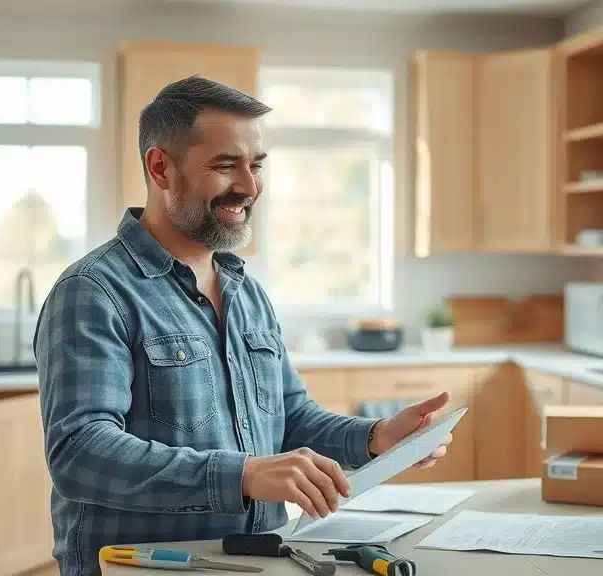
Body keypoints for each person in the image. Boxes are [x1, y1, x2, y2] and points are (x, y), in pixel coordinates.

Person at [33, 75, 454, 576]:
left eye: (256, 166)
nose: (251, 187)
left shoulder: (245, 291)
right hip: (141, 569)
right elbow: (80, 452)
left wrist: (376, 438)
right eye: (225, 166)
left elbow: (289, 417)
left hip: (253, 564)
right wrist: (243, 474)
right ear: (160, 167)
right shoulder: (94, 291)